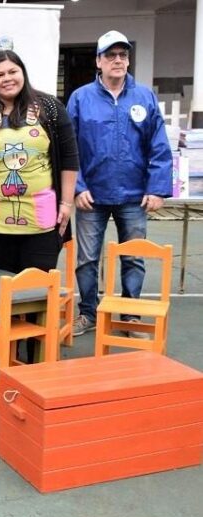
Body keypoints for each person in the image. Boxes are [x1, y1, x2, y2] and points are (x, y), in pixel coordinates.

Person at [0, 50, 79, 362]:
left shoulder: (49, 107)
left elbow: (69, 157)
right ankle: (7, 357)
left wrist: (66, 202)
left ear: (22, 73)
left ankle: (37, 361)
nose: (7, 78)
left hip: (44, 221)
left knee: (37, 294)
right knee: (5, 292)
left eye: (13, 71)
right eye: (0, 74)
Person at [67, 30, 172, 338]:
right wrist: (77, 187)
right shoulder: (80, 98)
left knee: (134, 257)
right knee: (87, 259)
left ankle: (131, 316)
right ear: (98, 61)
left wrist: (156, 188)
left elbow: (159, 145)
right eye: (110, 55)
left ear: (128, 60)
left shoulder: (144, 97)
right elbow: (69, 147)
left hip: (133, 195)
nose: (117, 60)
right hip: (92, 195)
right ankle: (88, 313)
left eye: (122, 55)